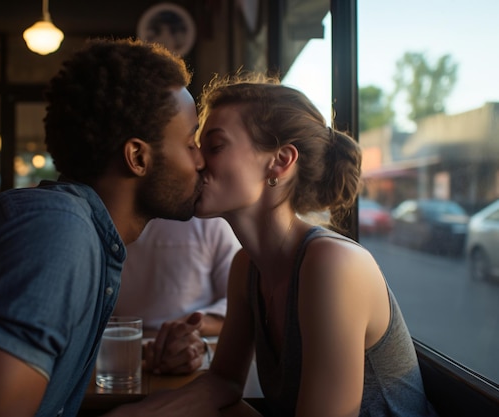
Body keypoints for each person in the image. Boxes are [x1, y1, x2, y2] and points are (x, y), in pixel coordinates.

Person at [0, 38, 207, 417]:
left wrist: (143, 355)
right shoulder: (59, 234)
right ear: (137, 157)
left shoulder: (76, 229)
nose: (201, 160)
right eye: (192, 142)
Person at [117, 73, 439, 416]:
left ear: (280, 161)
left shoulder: (333, 263)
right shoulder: (246, 267)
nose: (196, 162)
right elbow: (223, 382)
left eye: (214, 146)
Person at [114, 216, 241, 374]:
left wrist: (193, 327)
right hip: (113, 352)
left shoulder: (212, 222)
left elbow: (237, 305)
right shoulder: (109, 218)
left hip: (192, 353)